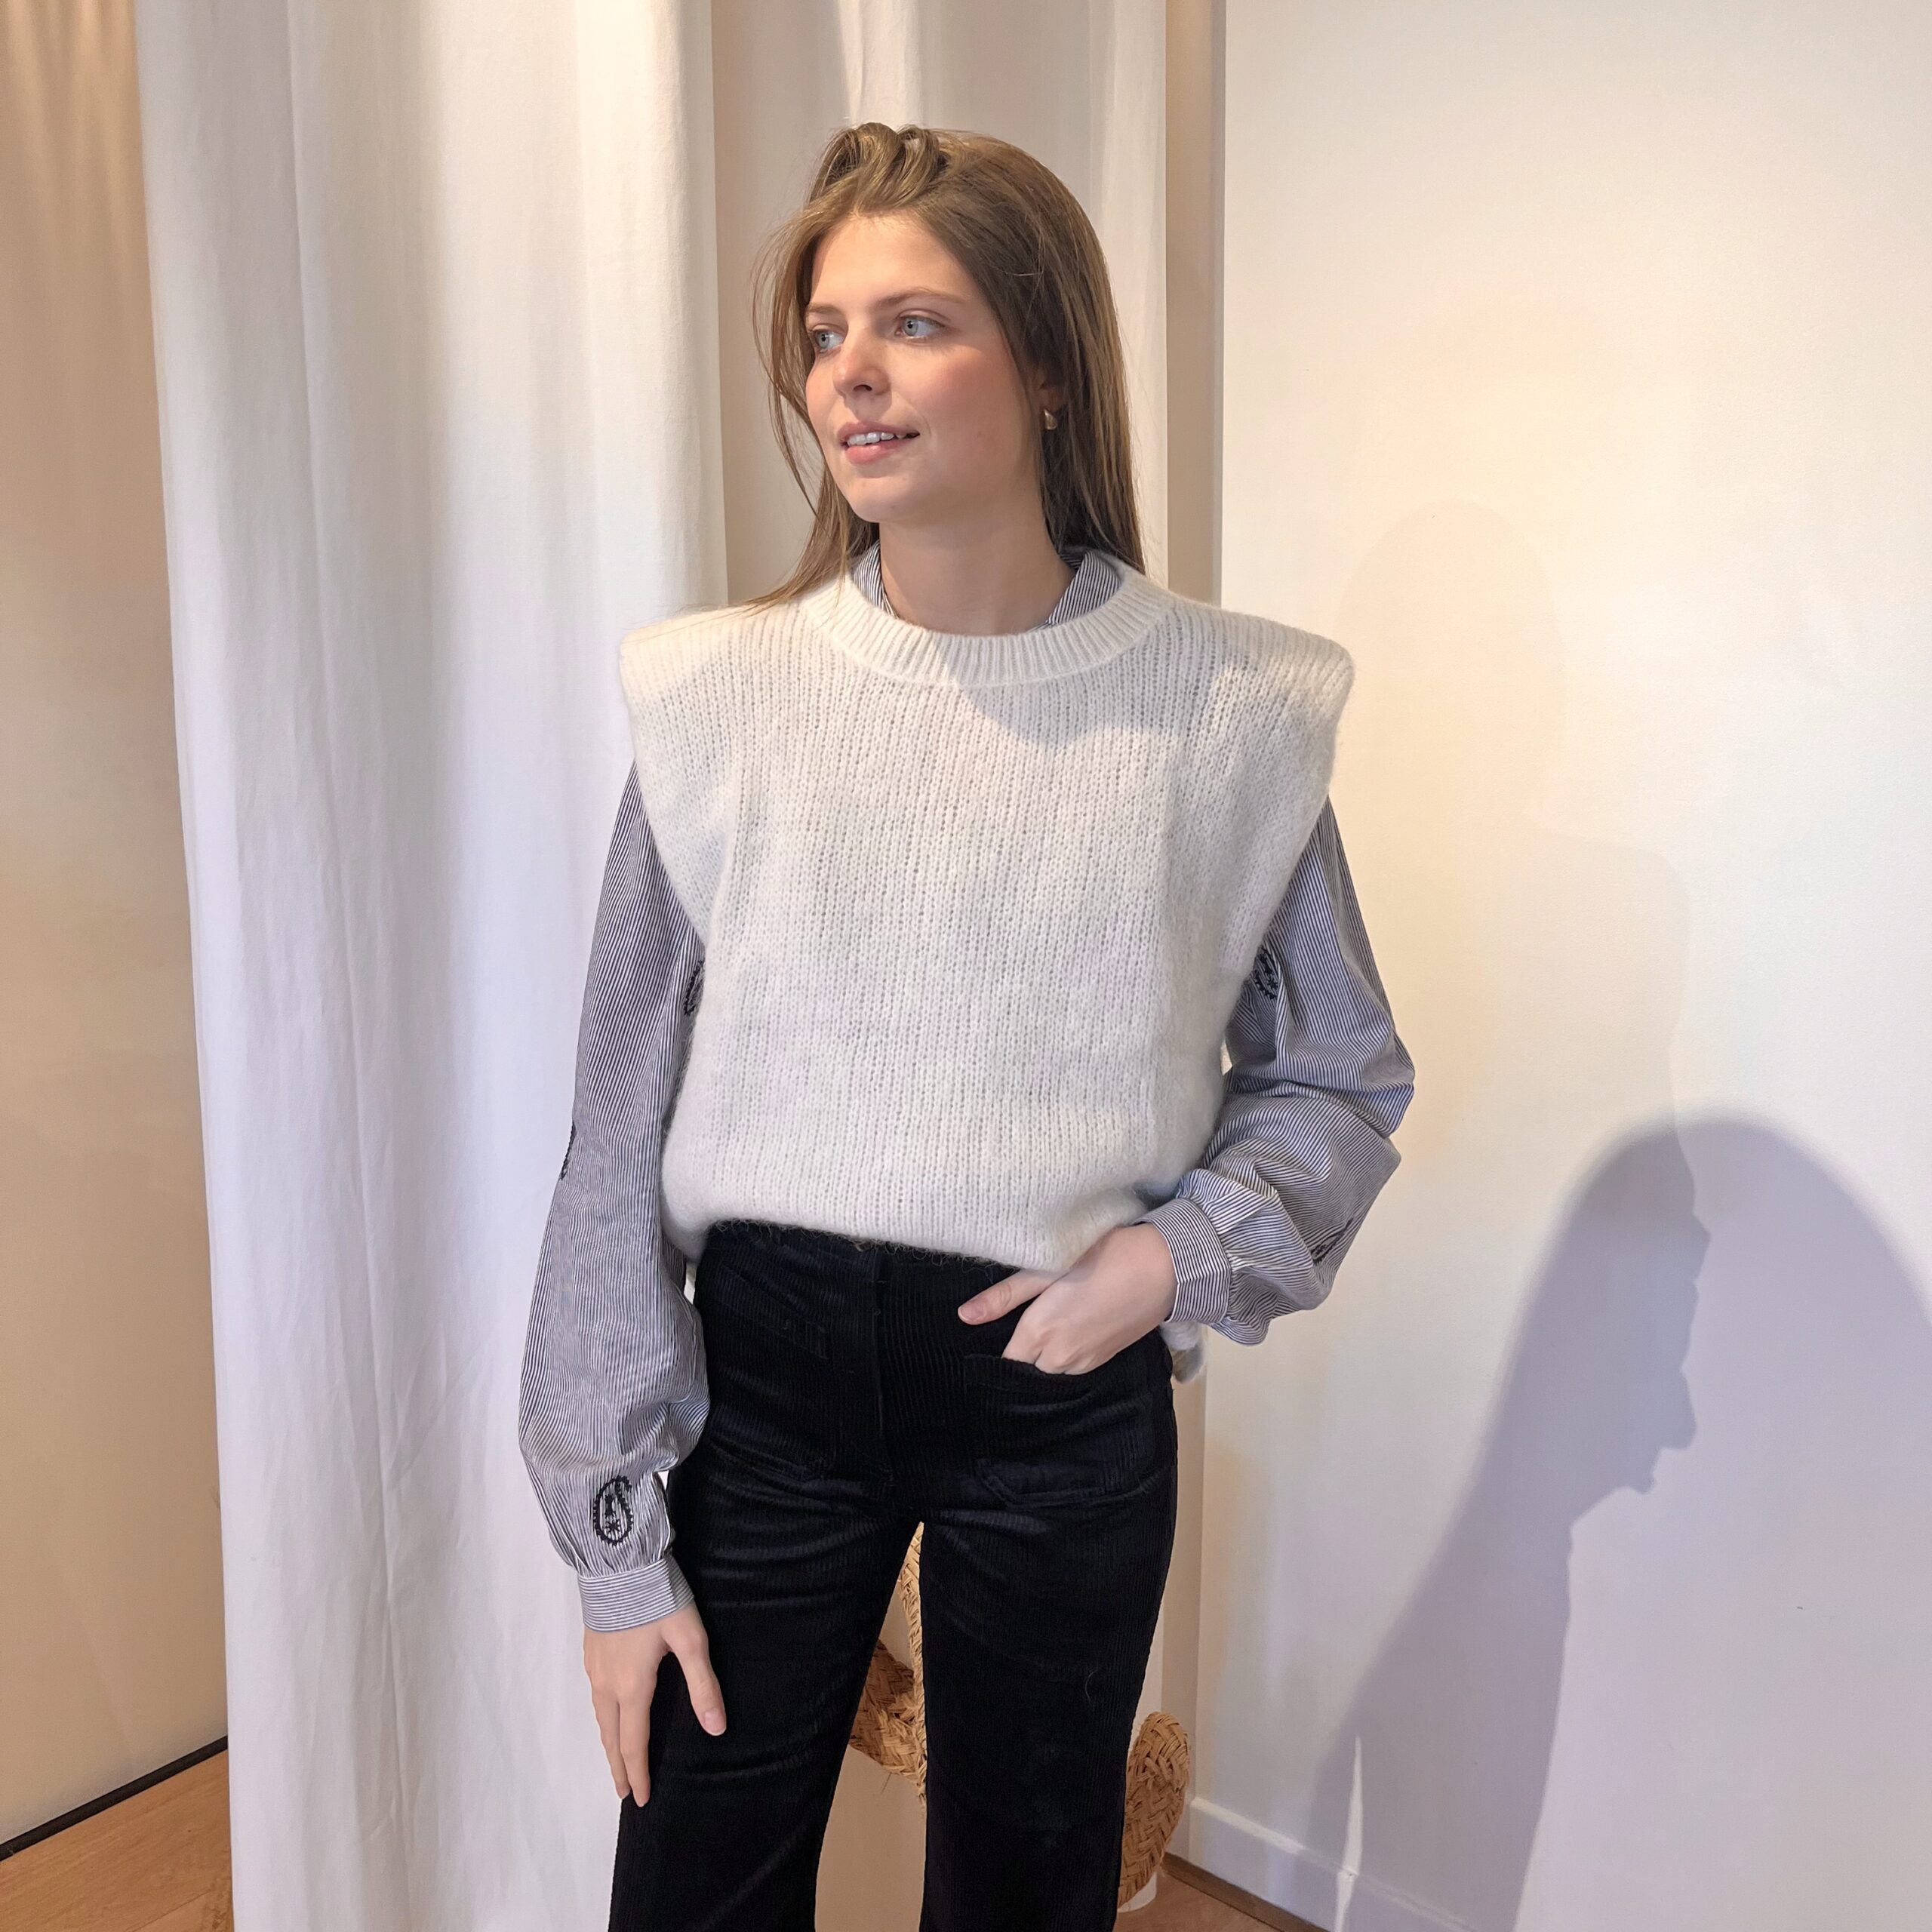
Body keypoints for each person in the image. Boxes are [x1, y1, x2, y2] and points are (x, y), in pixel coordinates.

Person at [518, 120, 1417, 1931]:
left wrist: (1166, 1260)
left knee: (1024, 1894)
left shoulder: (1229, 712)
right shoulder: (715, 698)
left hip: (1055, 1391)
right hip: (762, 1382)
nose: (848, 373)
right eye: (825, 331)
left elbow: (1335, 1070)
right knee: (691, 1888)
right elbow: (616, 1119)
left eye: (913, 322)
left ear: (1049, 364)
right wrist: (615, 1549)